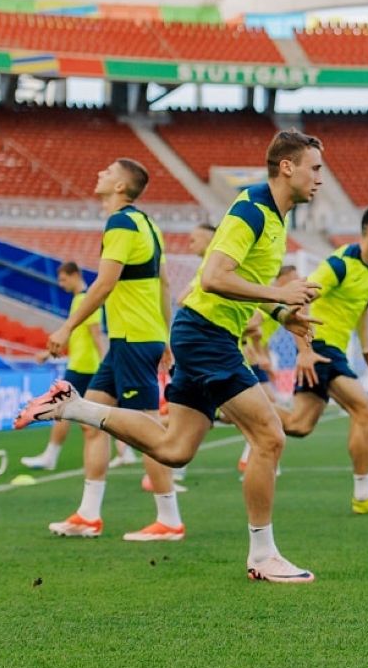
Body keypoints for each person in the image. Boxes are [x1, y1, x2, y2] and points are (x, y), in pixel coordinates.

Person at [17, 130, 325, 583]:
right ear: (287, 166)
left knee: (174, 449)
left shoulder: (275, 218)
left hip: (200, 332)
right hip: (206, 336)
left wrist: (280, 312)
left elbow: (232, 283)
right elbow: (214, 278)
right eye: (314, 168)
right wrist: (279, 294)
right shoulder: (252, 210)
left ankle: (74, 406)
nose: (320, 178)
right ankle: (262, 555)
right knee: (270, 438)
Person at [38, 157, 183, 541]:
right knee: (91, 421)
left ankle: (170, 520)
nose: (99, 172)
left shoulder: (120, 222)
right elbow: (164, 285)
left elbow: (103, 284)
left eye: (108, 171)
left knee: (148, 433)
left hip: (133, 339)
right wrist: (166, 337)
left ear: (120, 187)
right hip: (129, 340)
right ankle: (89, 515)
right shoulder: (148, 224)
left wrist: (67, 327)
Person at [280, 206, 368, 514]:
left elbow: (363, 305)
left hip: (334, 348)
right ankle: (364, 494)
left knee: (299, 425)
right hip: (320, 346)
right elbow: (299, 301)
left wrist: (366, 348)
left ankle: (230, 407)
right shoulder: (338, 265)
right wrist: (305, 351)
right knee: (364, 410)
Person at [22, 261, 106, 471]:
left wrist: (105, 362)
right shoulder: (80, 299)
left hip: (83, 366)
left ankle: (50, 457)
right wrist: (47, 353)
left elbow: (96, 334)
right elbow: (74, 334)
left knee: (62, 408)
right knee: (91, 416)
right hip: (82, 364)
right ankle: (125, 451)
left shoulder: (86, 299)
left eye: (63, 279)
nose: (61, 284)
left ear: (75, 275)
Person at [237, 265, 299, 473]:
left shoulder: (278, 301)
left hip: (251, 356)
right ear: (282, 279)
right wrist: (256, 351)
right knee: (261, 407)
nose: (296, 280)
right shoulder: (269, 298)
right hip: (244, 355)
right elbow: (252, 326)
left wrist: (264, 356)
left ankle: (251, 456)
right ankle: (255, 455)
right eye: (293, 277)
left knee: (267, 404)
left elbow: (260, 335)